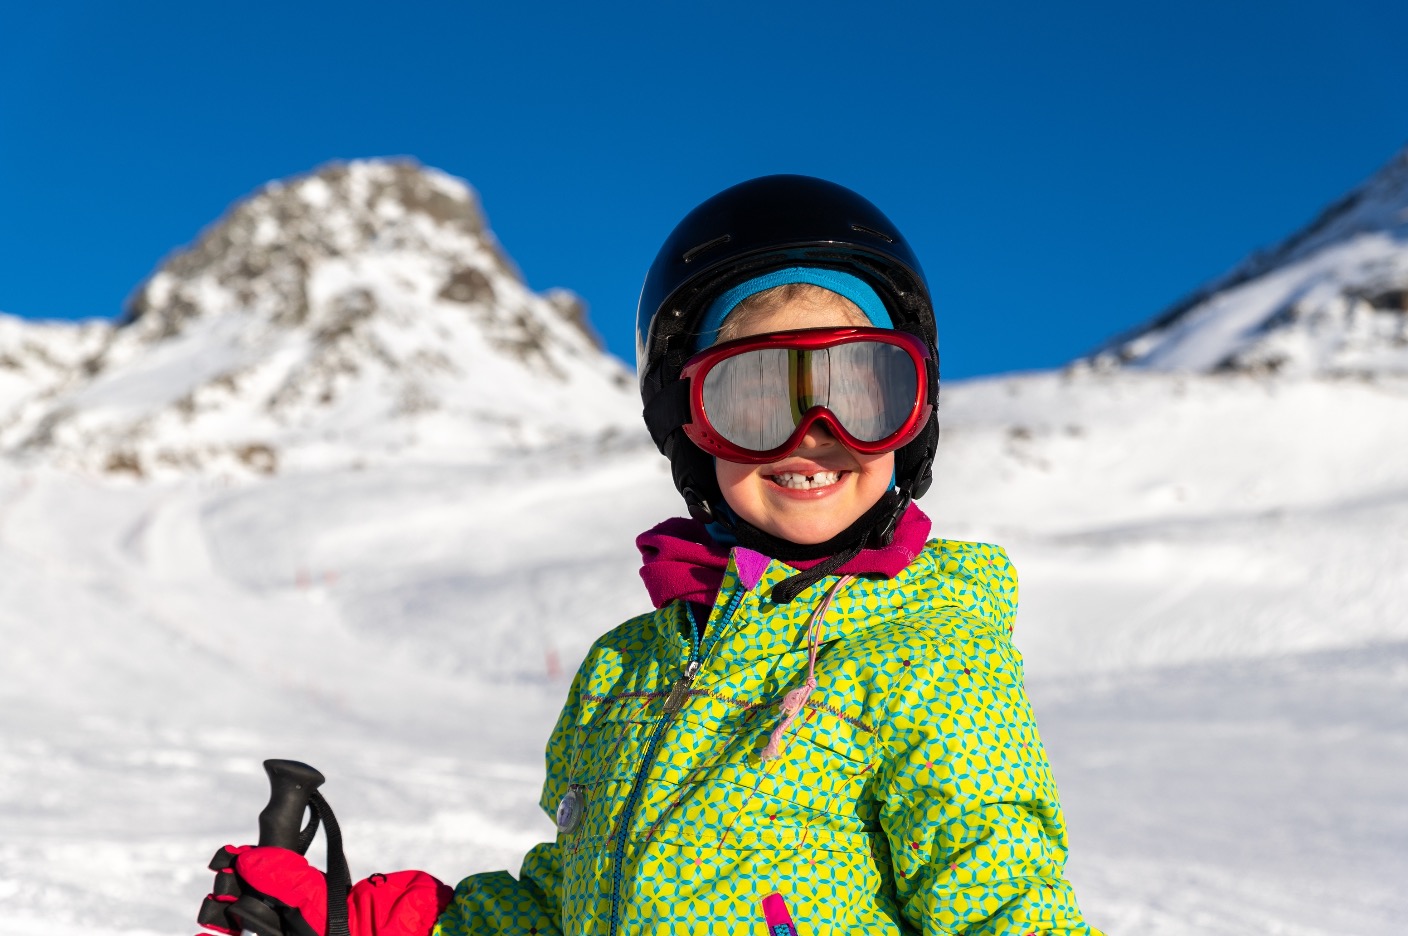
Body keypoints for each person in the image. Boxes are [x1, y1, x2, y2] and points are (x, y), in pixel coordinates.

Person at [198, 175, 1102, 935]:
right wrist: (366, 921)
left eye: (859, 392)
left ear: (914, 416)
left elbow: (1006, 906)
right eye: (752, 399)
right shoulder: (631, 666)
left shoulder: (931, 656)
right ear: (687, 425)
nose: (810, 436)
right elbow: (566, 911)